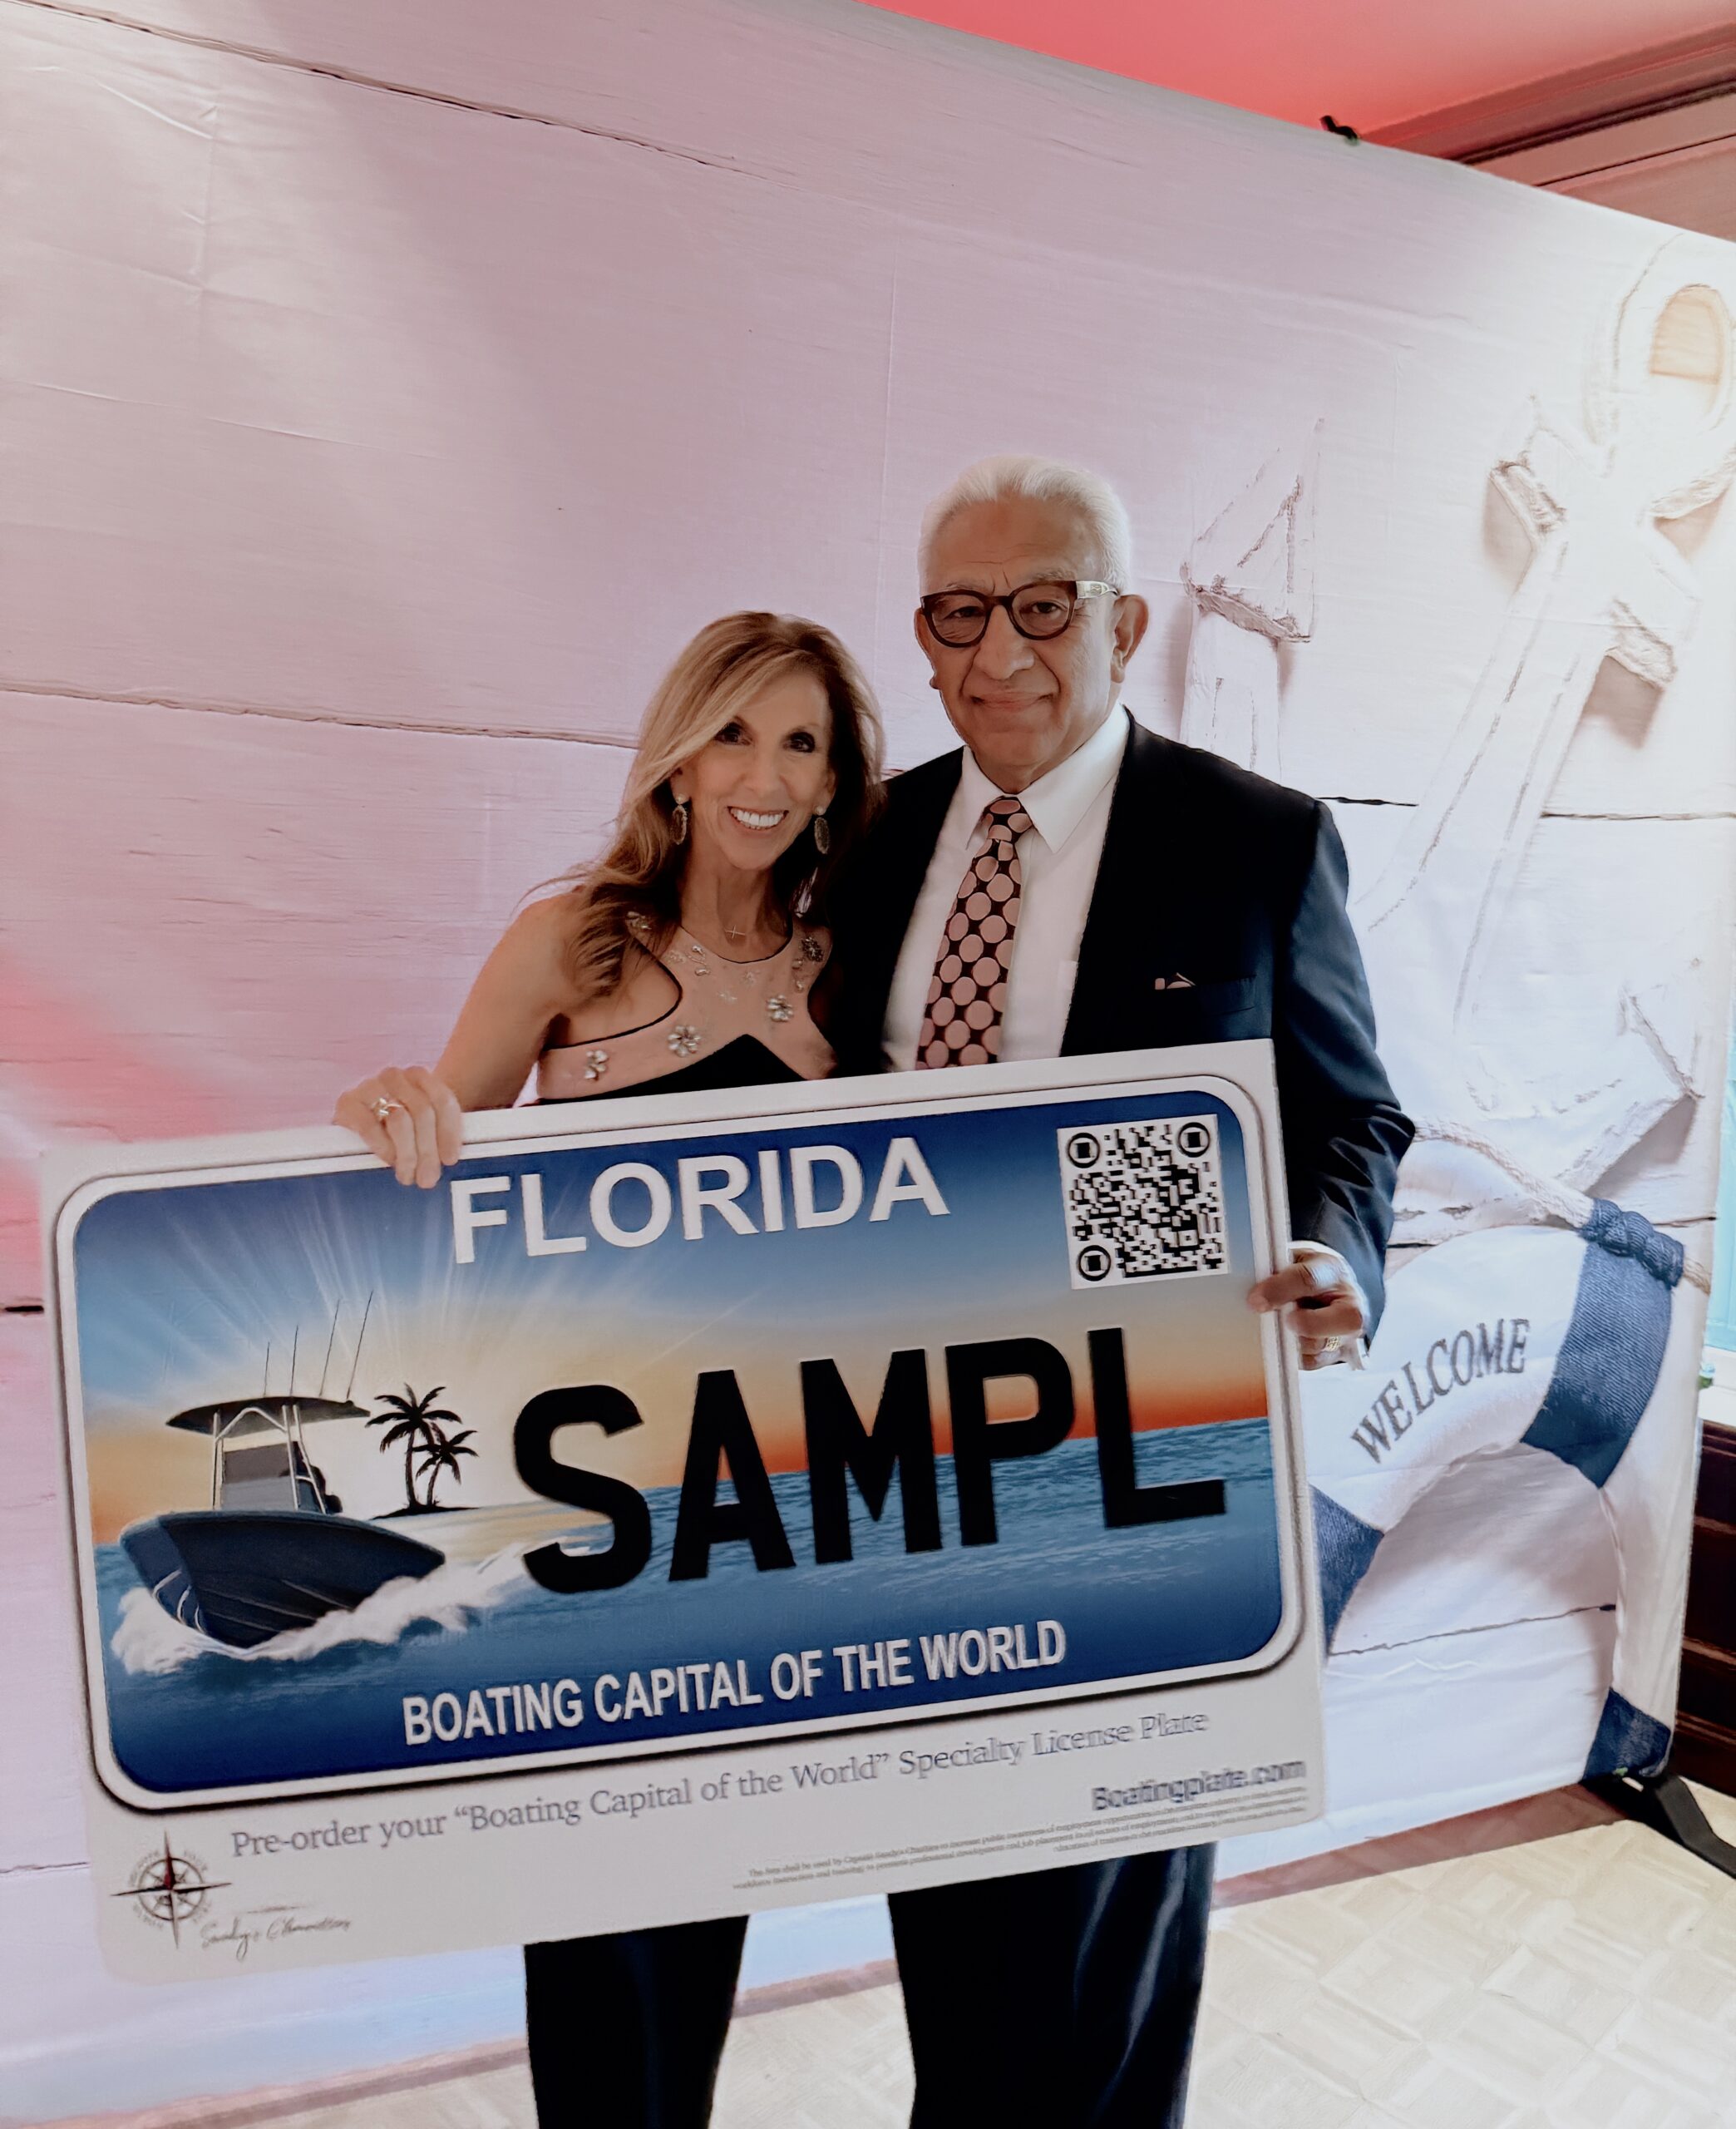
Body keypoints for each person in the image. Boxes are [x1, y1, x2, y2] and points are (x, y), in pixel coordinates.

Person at [813, 452, 1413, 2125]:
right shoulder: (868, 841)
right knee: (953, 1912)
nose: (999, 652)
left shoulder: (1258, 839)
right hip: (910, 1471)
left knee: (1116, 1937)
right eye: (959, 612)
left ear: (1127, 624)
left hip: (1155, 1464)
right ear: (921, 637)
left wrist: (1338, 1254)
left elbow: (1352, 1115)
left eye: (1044, 605)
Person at [334, 608, 886, 2127]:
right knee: (590, 1922)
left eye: (801, 743)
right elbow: (430, 1162)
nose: (763, 774)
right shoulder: (572, 941)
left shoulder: (854, 973)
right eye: (735, 733)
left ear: (835, 781)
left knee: (709, 1891)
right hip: (584, 1516)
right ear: (679, 758)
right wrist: (388, 1107)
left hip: (764, 1516)